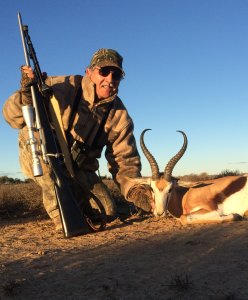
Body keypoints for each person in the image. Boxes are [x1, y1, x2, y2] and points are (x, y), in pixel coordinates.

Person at [2, 48, 153, 231]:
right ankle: (62, 218)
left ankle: (75, 206)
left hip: (79, 170)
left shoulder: (120, 116)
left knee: (107, 210)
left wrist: (137, 192)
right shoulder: (59, 86)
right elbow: (12, 118)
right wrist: (26, 96)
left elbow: (125, 162)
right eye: (104, 71)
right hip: (46, 159)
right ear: (89, 72)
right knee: (32, 133)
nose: (110, 79)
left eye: (117, 75)